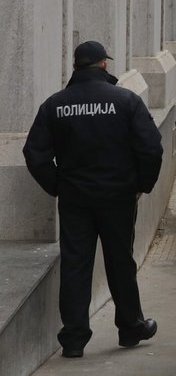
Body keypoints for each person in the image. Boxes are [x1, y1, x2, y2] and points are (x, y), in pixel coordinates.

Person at [22, 40, 162, 358]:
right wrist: (142, 184)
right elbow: (151, 147)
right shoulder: (126, 101)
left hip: (76, 200)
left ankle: (73, 338)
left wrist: (58, 185)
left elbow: (34, 153)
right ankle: (130, 327)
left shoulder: (55, 105)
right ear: (104, 65)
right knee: (120, 264)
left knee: (75, 265)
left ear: (74, 67)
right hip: (118, 197)